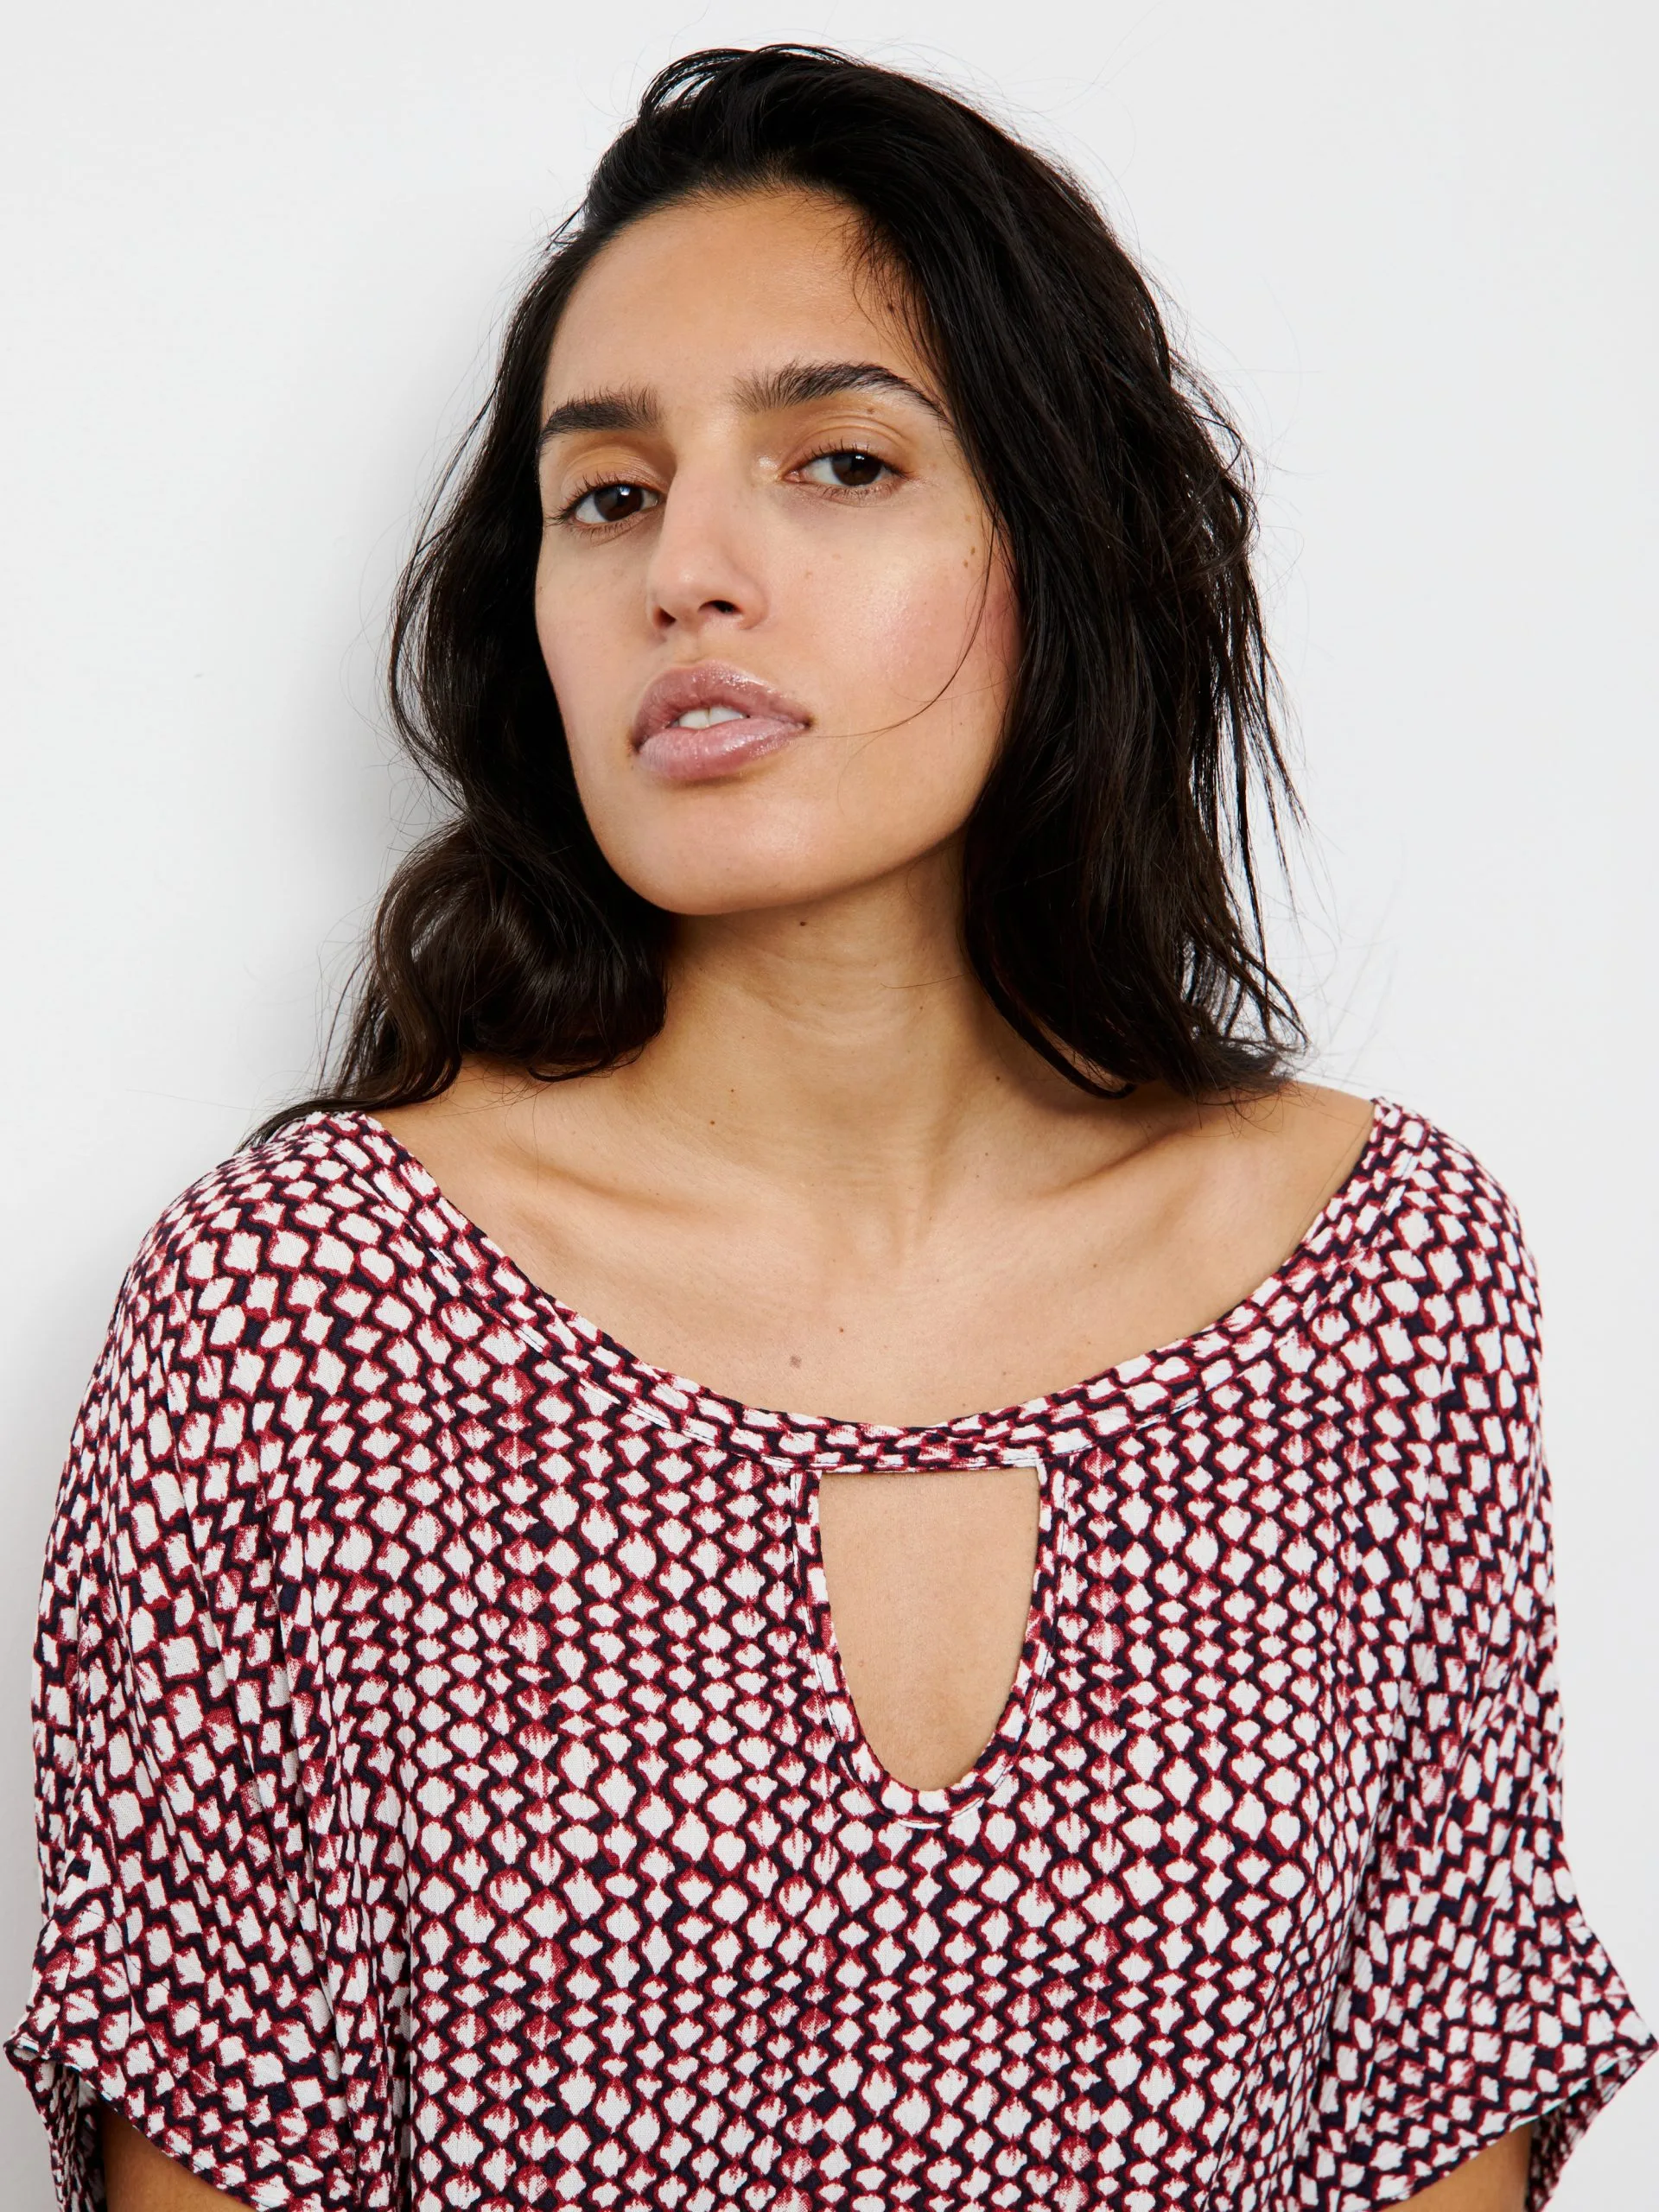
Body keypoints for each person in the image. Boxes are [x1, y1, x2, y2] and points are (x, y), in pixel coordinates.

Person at [9, 43, 1649, 2212]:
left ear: (1061, 541)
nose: (688, 569)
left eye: (840, 463)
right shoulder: (297, 1314)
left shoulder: (1381, 1279)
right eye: (607, 495)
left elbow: (1434, 2108)